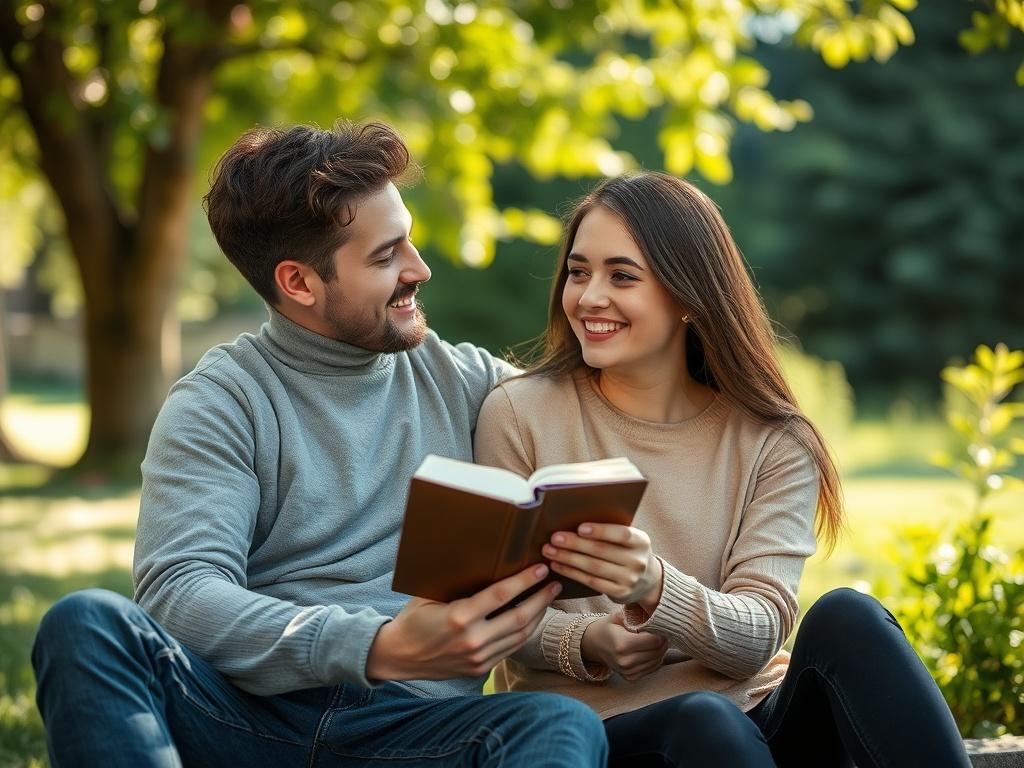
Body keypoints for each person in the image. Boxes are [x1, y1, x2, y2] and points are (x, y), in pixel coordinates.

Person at [30, 121, 608, 768]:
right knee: (84, 625)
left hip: (418, 733)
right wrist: (377, 644)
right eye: (386, 256)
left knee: (556, 726)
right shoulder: (221, 400)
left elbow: (610, 409)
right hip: (242, 719)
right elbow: (181, 591)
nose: (419, 268)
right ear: (299, 283)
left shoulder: (466, 380)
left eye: (408, 242)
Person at [474, 171, 971, 767]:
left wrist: (654, 588)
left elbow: (759, 633)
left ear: (688, 296)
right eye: (578, 272)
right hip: (602, 736)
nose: (589, 296)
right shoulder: (521, 413)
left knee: (850, 616)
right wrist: (589, 640)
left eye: (621, 276)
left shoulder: (773, 439)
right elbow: (492, 612)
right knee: (704, 722)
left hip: (755, 720)